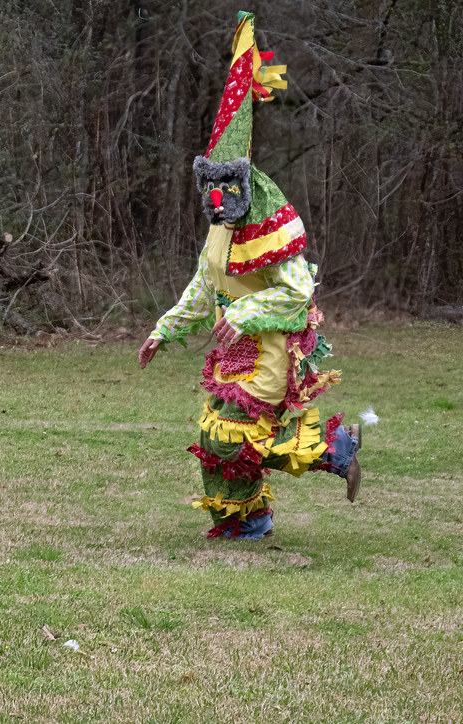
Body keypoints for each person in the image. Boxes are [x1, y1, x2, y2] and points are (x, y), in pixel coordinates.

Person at [138, 11, 361, 540]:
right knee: (216, 434)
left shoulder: (268, 225)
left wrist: (242, 312)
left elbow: (296, 294)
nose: (216, 202)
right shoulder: (220, 225)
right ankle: (245, 520)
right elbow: (203, 285)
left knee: (234, 437)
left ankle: (333, 452)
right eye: (209, 190)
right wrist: (164, 329)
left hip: (269, 349)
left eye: (225, 190)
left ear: (243, 185)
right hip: (230, 349)